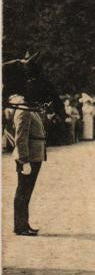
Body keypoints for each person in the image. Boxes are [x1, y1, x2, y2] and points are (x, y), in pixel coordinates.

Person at [12, 95, 46, 236]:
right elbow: (20, 138)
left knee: (26, 192)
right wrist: (24, 160)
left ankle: (23, 224)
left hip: (34, 156)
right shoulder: (24, 111)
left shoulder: (30, 109)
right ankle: (20, 227)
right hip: (28, 157)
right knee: (23, 192)